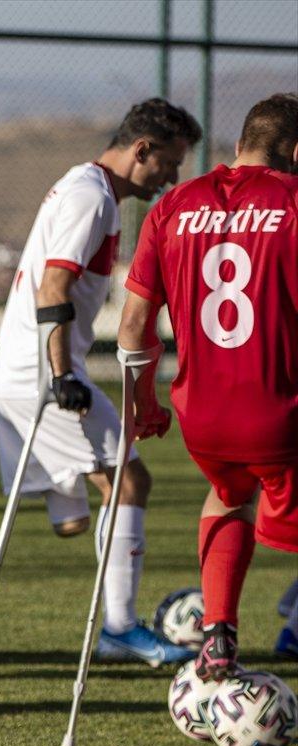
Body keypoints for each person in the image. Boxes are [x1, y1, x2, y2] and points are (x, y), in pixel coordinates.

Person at [0, 99, 203, 667]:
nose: (173, 178)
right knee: (131, 480)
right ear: (142, 150)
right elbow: (54, 286)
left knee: (82, 519)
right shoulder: (92, 196)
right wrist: (62, 375)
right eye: (171, 163)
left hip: (23, 371)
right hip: (43, 375)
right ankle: (120, 629)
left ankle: (115, 616)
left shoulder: (83, 185)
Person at [119, 92, 298, 679]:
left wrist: (141, 401)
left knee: (229, 496)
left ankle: (218, 631)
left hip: (204, 417)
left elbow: (133, 325)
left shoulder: (174, 206)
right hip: (281, 410)